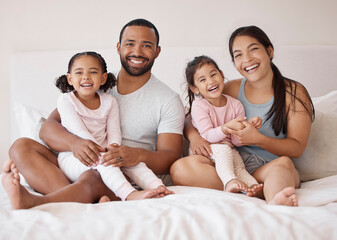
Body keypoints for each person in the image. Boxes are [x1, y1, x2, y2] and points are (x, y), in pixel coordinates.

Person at [2, 18, 185, 209]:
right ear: (118, 47)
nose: (137, 52)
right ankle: (80, 197)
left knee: (95, 175)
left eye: (146, 45)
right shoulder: (95, 82)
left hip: (118, 173)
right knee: (21, 147)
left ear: (157, 51)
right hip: (76, 161)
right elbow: (48, 128)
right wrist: (75, 143)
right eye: (130, 44)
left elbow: (170, 157)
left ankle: (39, 201)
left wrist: (137, 155)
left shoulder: (168, 100)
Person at [171, 26, 315, 206]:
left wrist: (258, 139)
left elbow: (297, 148)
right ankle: (246, 187)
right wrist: (194, 137)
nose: (247, 59)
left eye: (253, 49)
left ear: (269, 51)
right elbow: (191, 116)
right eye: (238, 55)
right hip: (232, 167)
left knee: (283, 165)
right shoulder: (230, 88)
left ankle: (275, 198)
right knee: (180, 169)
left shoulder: (293, 92)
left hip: (269, 168)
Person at [55, 51, 173, 201]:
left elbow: (113, 130)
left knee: (132, 162)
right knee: (106, 162)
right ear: (70, 79)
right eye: (79, 72)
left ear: (103, 78)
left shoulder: (109, 101)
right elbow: (78, 130)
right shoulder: (66, 100)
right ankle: (129, 195)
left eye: (93, 72)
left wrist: (114, 148)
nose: (86, 77)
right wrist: (103, 152)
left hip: (103, 152)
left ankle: (159, 188)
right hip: (75, 157)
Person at [185, 55, 263, 196]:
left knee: (239, 166)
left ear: (221, 75)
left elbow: (235, 142)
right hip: (206, 149)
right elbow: (207, 134)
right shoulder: (199, 106)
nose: (211, 81)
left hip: (229, 148)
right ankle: (229, 182)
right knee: (224, 152)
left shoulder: (236, 105)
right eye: (202, 80)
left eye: (213, 74)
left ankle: (253, 188)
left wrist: (246, 128)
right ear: (195, 89)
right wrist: (226, 128)